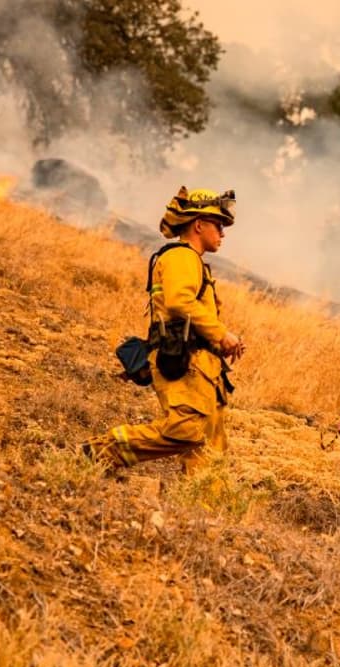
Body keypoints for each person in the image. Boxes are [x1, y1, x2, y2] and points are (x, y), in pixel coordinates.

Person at [83, 186, 244, 475]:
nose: (223, 233)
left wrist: (221, 344)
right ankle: (101, 452)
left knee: (209, 448)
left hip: (204, 369)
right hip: (186, 363)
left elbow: (192, 314)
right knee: (186, 431)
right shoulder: (182, 257)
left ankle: (204, 510)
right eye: (219, 225)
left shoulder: (193, 261)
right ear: (199, 225)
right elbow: (179, 301)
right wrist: (221, 333)